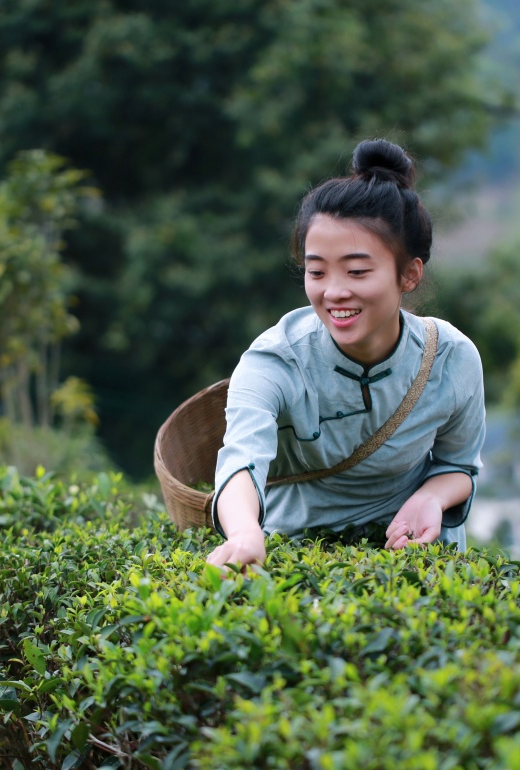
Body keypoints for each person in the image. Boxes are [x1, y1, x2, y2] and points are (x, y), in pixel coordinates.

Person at [207, 138, 486, 572]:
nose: (334, 291)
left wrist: (430, 498)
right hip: (300, 560)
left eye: (357, 271)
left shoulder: (452, 359)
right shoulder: (275, 361)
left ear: (409, 274)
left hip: (413, 555)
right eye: (316, 271)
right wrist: (244, 532)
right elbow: (241, 461)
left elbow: (459, 465)